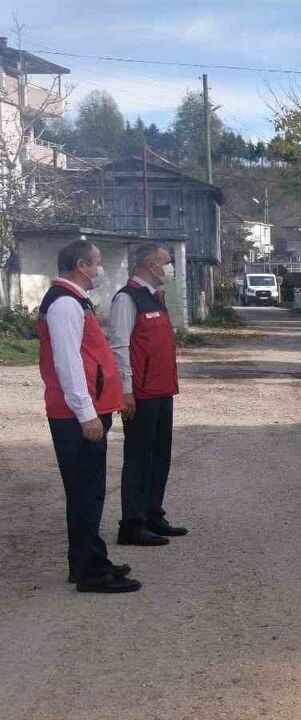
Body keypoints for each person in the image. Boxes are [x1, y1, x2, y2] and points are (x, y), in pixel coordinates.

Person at [38, 240, 140, 593]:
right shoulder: (65, 304)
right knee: (85, 494)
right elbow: (67, 364)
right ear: (81, 265)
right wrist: (86, 414)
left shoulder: (73, 301)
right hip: (76, 415)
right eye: (96, 263)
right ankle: (89, 571)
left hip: (83, 411)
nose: (100, 269)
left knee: (88, 493)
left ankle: (87, 560)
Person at [108, 242, 186, 547]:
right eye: (166, 262)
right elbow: (119, 347)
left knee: (160, 454)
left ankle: (153, 513)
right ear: (148, 265)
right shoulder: (128, 299)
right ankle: (132, 523)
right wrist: (126, 391)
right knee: (139, 457)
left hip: (162, 389)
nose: (170, 268)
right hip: (141, 392)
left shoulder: (156, 297)